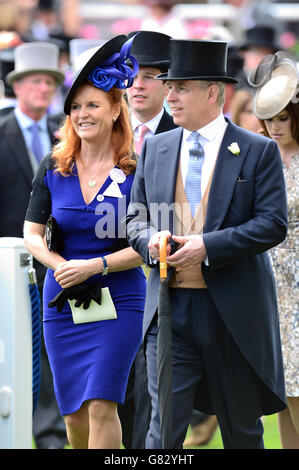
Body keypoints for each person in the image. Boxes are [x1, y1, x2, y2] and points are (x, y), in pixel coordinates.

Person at [125, 38, 288, 449]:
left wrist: (208, 246)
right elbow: (134, 217)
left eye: (181, 87)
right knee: (161, 436)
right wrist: (150, 239)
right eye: (169, 86)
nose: (170, 95)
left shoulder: (258, 150)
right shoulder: (156, 148)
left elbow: (272, 225)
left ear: (213, 92)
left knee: (242, 434)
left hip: (233, 314)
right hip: (169, 311)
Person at [23, 34, 146, 449]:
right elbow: (32, 232)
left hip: (120, 296)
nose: (82, 114)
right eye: (75, 106)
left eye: (92, 104)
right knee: (73, 412)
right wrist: (59, 265)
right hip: (64, 298)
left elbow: (152, 241)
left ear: (116, 109)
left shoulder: (138, 169)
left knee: (100, 404)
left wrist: (97, 266)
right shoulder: (55, 166)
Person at [0, 40, 67, 449]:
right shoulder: (1, 132)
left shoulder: (66, 133)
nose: (43, 90)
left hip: (57, 260)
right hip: (9, 259)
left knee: (50, 349)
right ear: (19, 86)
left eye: (49, 82)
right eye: (35, 82)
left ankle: (49, 434)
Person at [120, 30, 177, 449]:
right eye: (132, 74)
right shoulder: (103, 125)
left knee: (158, 399)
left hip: (168, 277)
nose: (138, 83)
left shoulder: (187, 131)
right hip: (111, 278)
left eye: (150, 75)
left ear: (169, 84)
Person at [250, 51, 299, 448]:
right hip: (267, 280)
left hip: (298, 282)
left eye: (283, 117)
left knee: (297, 383)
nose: (274, 126)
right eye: (269, 118)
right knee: (281, 389)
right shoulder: (261, 155)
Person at [127, 30, 177, 155]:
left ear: (168, 87)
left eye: (148, 77)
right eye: (132, 77)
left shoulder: (181, 135)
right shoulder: (109, 131)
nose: (138, 85)